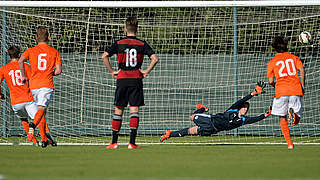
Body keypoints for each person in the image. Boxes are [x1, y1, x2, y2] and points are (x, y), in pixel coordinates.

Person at [102, 17, 159, 149]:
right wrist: (146, 72)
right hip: (136, 79)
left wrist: (112, 71)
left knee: (118, 109)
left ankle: (114, 142)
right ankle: (131, 143)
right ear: (137, 29)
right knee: (134, 109)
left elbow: (104, 56)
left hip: (122, 78)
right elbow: (155, 59)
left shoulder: (119, 42)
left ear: (125, 29)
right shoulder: (142, 43)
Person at [160, 82, 272, 142]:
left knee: (190, 132)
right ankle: (203, 109)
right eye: (244, 107)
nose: (245, 109)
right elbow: (241, 101)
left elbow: (255, 119)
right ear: (240, 108)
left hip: (212, 129)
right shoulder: (232, 110)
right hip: (209, 120)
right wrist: (252, 94)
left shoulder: (242, 120)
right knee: (192, 116)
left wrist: (266, 114)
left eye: (247, 109)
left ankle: (170, 134)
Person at [0, 45, 57, 147]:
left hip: (15, 103)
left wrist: (1, 94)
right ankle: (45, 139)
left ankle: (34, 142)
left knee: (23, 119)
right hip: (28, 100)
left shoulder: (3, 69)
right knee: (40, 118)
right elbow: (34, 77)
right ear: (19, 54)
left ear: (9, 56)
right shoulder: (25, 66)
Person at [18, 27, 62, 147]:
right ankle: (32, 125)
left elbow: (20, 61)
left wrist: (23, 76)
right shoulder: (54, 52)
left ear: (36, 38)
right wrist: (50, 73)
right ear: (48, 37)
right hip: (46, 84)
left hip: (34, 85)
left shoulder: (30, 50)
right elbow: (58, 71)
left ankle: (44, 140)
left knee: (40, 112)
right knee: (41, 109)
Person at [267, 36, 305, 149]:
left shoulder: (273, 61)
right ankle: (294, 115)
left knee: (282, 117)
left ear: (274, 48)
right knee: (295, 120)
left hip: (281, 91)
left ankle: (290, 144)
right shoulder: (293, 58)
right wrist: (302, 86)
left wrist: (276, 85)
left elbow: (270, 81)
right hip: (295, 89)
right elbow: (302, 69)